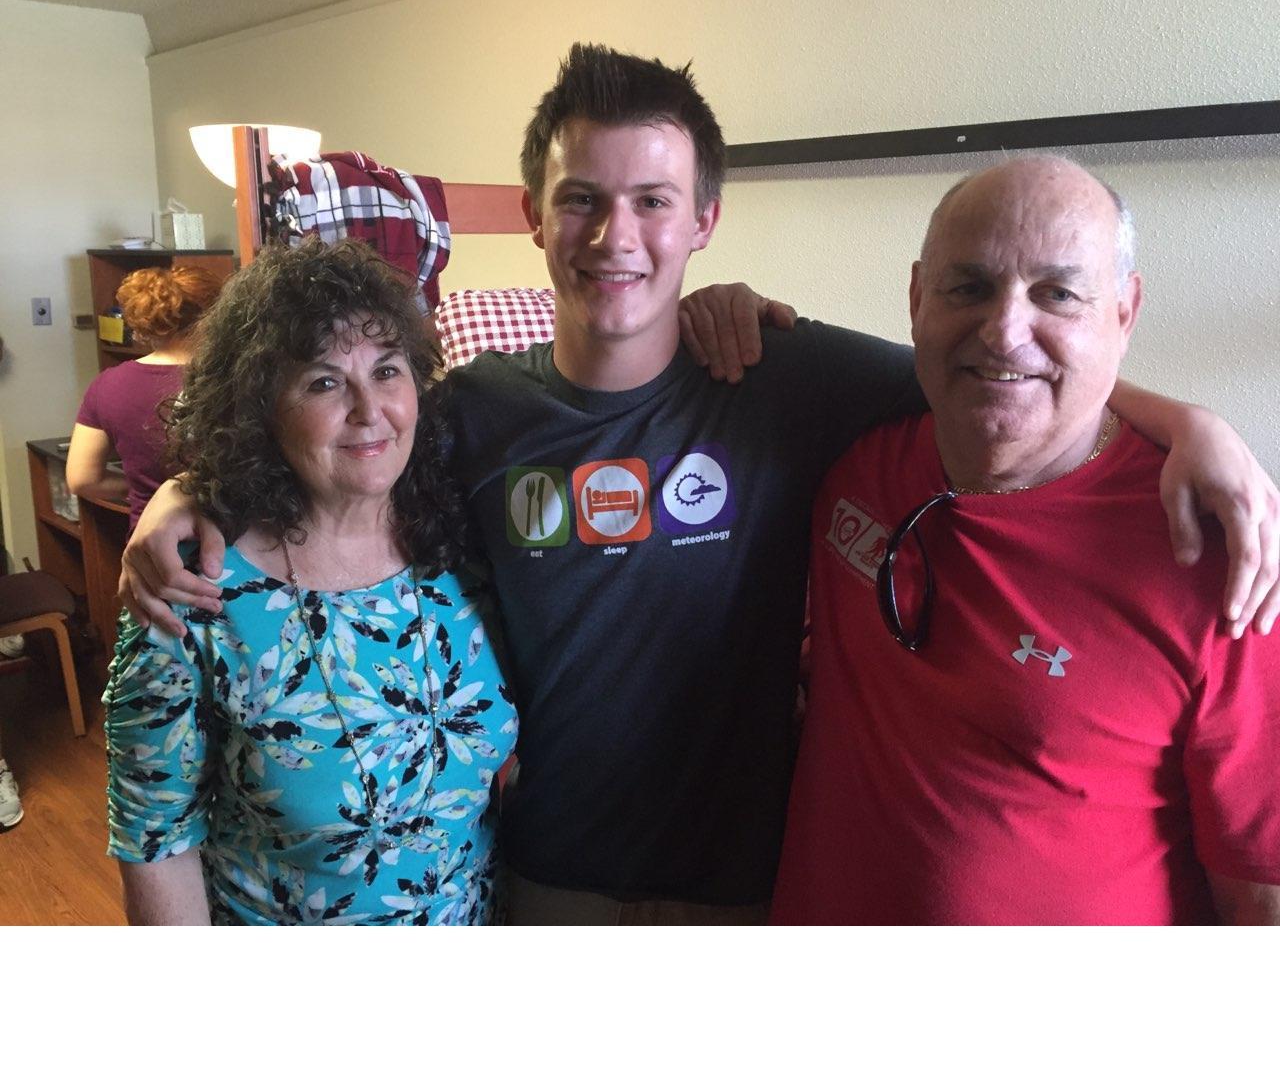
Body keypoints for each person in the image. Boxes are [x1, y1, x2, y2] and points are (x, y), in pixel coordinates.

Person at [120, 45, 1279, 924]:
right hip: (536, 880)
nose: (612, 233)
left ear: (704, 220)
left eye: (653, 200)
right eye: (580, 197)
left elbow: (996, 375)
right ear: (533, 215)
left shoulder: (787, 378)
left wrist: (1192, 423)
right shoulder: (466, 412)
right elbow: (324, 443)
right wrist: (184, 495)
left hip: (749, 890)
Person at [770, 157, 1280, 924]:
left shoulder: (1223, 559)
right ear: (916, 299)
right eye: (968, 287)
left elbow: (1259, 888)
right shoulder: (851, 453)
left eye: (1058, 293)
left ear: (1124, 312)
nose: (1005, 331)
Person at [103, 239, 517, 924]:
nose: (368, 409)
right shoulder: (193, 591)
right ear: (261, 408)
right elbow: (155, 841)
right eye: (324, 382)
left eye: (387, 370)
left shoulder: (462, 549)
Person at [67, 265, 223, 528]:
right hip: (233, 543)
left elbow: (82, 479)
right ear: (212, 317)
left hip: (152, 538)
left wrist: (146, 489)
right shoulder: (236, 378)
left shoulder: (108, 384)